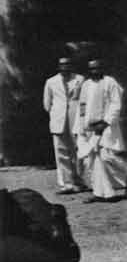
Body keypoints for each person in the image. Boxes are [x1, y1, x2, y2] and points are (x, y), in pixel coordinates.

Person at [78, 59, 127, 203]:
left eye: (97, 68)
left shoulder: (110, 82)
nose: (94, 71)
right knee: (91, 161)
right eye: (91, 69)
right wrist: (80, 126)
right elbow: (82, 106)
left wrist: (105, 122)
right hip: (90, 128)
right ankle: (101, 193)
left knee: (106, 157)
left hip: (106, 127)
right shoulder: (86, 85)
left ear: (102, 68)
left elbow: (116, 104)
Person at [43, 57, 88, 194]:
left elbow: (85, 99)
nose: (65, 67)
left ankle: (79, 181)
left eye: (67, 64)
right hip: (58, 120)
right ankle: (66, 184)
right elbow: (47, 103)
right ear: (58, 66)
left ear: (71, 65)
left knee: (78, 151)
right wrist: (57, 113)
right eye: (62, 65)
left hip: (75, 120)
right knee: (61, 153)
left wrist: (81, 116)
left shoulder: (80, 79)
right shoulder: (51, 81)